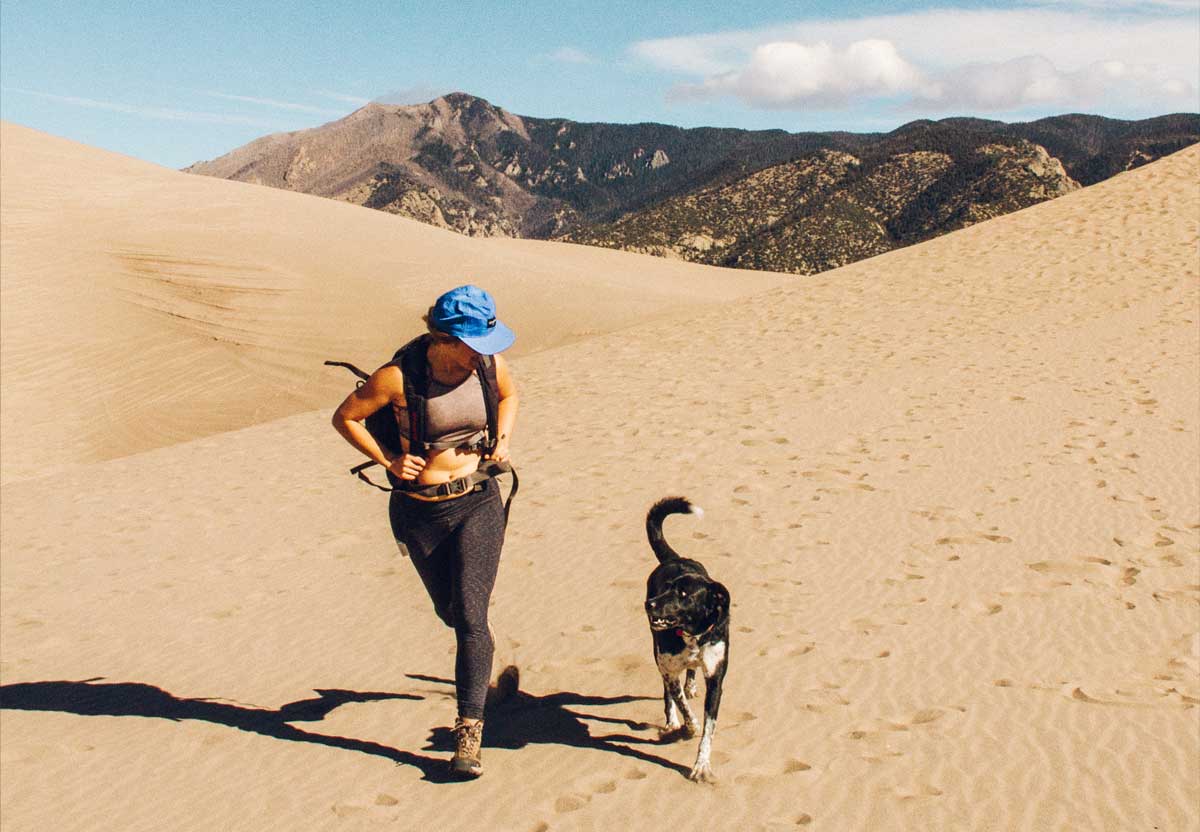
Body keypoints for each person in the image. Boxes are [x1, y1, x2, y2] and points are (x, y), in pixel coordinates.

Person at [331, 284, 518, 778]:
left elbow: (510, 396)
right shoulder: (396, 379)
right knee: (452, 612)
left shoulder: (488, 366)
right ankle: (488, 675)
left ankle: (469, 733)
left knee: (472, 614)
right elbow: (345, 417)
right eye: (476, 339)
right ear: (447, 338)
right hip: (420, 512)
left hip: (479, 499)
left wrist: (502, 440)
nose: (486, 350)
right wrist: (389, 459)